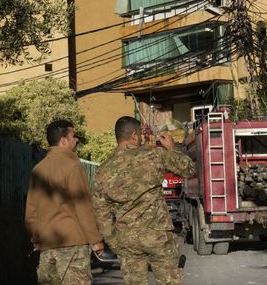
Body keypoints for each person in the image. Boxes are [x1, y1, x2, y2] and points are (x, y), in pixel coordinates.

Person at [92, 116, 195, 285]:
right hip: (158, 236)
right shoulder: (154, 154)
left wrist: (114, 243)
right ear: (134, 135)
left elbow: (101, 213)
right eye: (139, 134)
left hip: (128, 240)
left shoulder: (102, 171)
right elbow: (188, 169)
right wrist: (172, 148)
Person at [25, 119, 105, 285]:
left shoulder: (38, 169)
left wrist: (36, 238)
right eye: (74, 136)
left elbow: (31, 211)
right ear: (63, 140)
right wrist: (95, 240)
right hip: (73, 245)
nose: (77, 139)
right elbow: (83, 207)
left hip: (47, 246)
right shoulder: (73, 167)